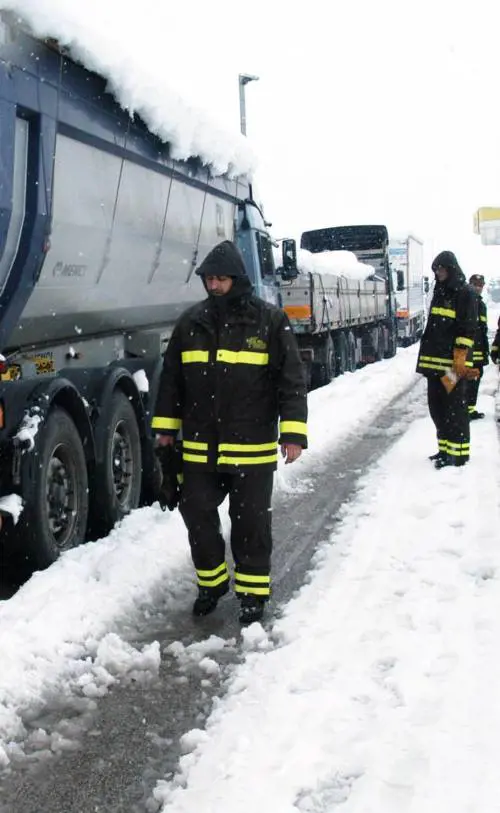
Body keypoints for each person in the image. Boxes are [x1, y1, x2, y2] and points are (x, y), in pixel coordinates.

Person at [151, 240, 308, 624]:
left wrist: (293, 433)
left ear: (236, 279)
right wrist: (166, 431)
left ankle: (253, 593)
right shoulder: (191, 323)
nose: (214, 285)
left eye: (221, 278)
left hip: (251, 446)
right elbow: (171, 382)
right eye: (209, 279)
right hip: (200, 447)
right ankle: (212, 584)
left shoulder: (269, 321)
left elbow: (291, 380)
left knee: (251, 522)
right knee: (197, 513)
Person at [416, 250, 478, 468]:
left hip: (453, 367)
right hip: (435, 367)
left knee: (454, 410)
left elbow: (468, 328)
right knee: (438, 409)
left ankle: (458, 454)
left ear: (450, 269)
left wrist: (460, 357)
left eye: (441, 269)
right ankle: (444, 449)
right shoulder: (441, 291)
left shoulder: (465, 293)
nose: (438, 273)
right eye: (436, 270)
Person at [467, 274, 489, 419]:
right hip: (468, 352)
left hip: (477, 352)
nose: (478, 288)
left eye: (481, 285)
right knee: (463, 381)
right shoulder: (468, 301)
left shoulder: (480, 304)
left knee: (474, 381)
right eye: (476, 284)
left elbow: (482, 329)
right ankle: (462, 410)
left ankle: (469, 410)